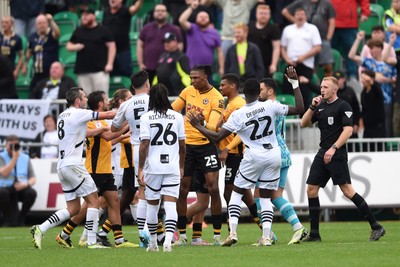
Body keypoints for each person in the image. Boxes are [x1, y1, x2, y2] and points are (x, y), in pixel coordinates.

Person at [187, 66, 304, 246]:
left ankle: (233, 233)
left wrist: (197, 125)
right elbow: (299, 108)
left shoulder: (238, 114)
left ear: (243, 92)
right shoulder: (270, 105)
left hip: (253, 156)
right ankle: (266, 236)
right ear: (259, 92)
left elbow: (217, 136)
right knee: (265, 197)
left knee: (236, 193)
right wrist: (295, 83)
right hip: (274, 155)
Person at [300, 76, 386, 242]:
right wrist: (311, 107)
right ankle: (315, 234)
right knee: (311, 189)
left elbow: (347, 131)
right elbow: (303, 124)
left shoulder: (343, 106)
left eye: (325, 87)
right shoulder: (320, 106)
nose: (322, 90)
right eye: (321, 87)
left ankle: (376, 226)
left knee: (347, 190)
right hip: (323, 151)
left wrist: (333, 148)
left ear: (335, 89)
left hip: (336, 153)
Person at [30, 87, 116, 249]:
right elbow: (109, 114)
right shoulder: (79, 113)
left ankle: (41, 228)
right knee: (94, 201)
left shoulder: (63, 115)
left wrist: (102, 129)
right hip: (74, 165)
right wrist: (127, 108)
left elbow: (86, 134)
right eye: (83, 97)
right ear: (78, 101)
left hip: (62, 166)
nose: (86, 100)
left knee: (74, 208)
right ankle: (91, 242)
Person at [56, 90, 135, 249]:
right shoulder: (89, 120)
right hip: (94, 169)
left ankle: (119, 240)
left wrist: (125, 129)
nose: (108, 101)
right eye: (106, 99)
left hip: (105, 169)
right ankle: (65, 233)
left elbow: (110, 139)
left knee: (114, 202)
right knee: (89, 206)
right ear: (100, 103)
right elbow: (107, 136)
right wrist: (129, 122)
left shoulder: (101, 122)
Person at [171, 65, 224, 246]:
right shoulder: (187, 91)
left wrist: (200, 123)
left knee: (213, 188)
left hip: (206, 147)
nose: (193, 81)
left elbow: (213, 127)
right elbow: (172, 110)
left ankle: (217, 235)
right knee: (182, 190)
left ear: (206, 77)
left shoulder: (217, 98)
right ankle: (183, 235)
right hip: (186, 147)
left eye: (196, 78)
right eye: (191, 78)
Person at [256, 77, 308, 245]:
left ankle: (297, 227)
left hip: (272, 154)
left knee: (271, 196)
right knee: (260, 195)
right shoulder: (277, 106)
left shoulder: (271, 107)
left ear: (270, 91)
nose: (259, 93)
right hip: (281, 153)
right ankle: (269, 233)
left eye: (261, 89)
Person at [137, 83, 186, 252]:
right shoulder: (177, 117)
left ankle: (152, 243)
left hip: (153, 168)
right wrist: (181, 166)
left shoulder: (146, 117)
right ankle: (167, 242)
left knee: (153, 205)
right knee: (171, 205)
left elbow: (144, 144)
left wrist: (140, 168)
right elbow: (182, 145)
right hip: (172, 166)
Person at [218, 73, 262, 232]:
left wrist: (227, 148)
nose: (220, 87)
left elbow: (241, 133)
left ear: (233, 86)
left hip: (236, 153)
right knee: (244, 193)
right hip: (231, 154)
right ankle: (262, 225)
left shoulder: (239, 104)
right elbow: (221, 128)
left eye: (223, 85)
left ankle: (231, 229)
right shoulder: (229, 104)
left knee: (229, 192)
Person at [111, 70, 151, 247]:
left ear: (133, 87)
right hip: (156, 148)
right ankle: (161, 233)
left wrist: (129, 124)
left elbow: (113, 128)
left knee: (141, 192)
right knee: (159, 193)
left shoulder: (126, 104)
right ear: (148, 84)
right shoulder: (154, 100)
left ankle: (144, 235)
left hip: (136, 149)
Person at [348, 31, 397, 137]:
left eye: (373, 48)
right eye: (369, 48)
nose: (370, 50)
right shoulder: (368, 61)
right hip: (372, 99)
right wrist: (358, 39)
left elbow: (394, 80)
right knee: (370, 123)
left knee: (386, 124)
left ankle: (387, 148)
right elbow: (351, 56)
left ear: (380, 48)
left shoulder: (389, 63)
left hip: (386, 98)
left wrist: (384, 79)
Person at [67, 7, 116, 96]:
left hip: (100, 71)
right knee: (86, 99)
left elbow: (112, 46)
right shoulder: (78, 31)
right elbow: (68, 46)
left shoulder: (103, 30)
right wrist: (76, 46)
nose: (84, 17)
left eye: (86, 15)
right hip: (83, 71)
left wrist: (109, 64)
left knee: (101, 97)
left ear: (93, 16)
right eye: (82, 15)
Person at [280, 7, 322, 108]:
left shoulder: (312, 29)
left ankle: (304, 117)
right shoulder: (288, 29)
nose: (300, 16)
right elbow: (282, 48)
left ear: (306, 16)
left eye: (302, 14)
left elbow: (318, 47)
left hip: (306, 65)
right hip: (291, 64)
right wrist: (287, 59)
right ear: (294, 16)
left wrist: (304, 57)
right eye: (298, 14)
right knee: (288, 89)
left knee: (305, 91)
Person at [282, 0, 336, 77]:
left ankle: (328, 82)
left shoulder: (327, 3)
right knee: (312, 65)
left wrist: (329, 37)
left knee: (327, 64)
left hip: (323, 37)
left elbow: (332, 21)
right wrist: (297, 22)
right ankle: (315, 81)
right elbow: (285, 11)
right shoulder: (301, 2)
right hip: (307, 38)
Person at [137, 4, 183, 83]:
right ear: (154, 13)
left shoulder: (174, 29)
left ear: (167, 14)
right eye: (158, 11)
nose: (160, 13)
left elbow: (180, 47)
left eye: (163, 11)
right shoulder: (146, 28)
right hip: (149, 67)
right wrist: (140, 63)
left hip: (168, 68)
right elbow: (140, 46)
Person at [179, 0, 224, 76]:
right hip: (191, 69)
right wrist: (191, 8)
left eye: (206, 17)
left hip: (207, 71)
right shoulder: (192, 29)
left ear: (209, 20)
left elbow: (219, 51)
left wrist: (221, 67)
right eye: (201, 17)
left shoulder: (214, 33)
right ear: (196, 19)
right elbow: (181, 20)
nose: (203, 18)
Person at [0, 135, 37, 226]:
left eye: (15, 145)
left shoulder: (25, 157)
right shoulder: (1, 156)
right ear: (6, 145)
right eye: (10, 145)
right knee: (2, 192)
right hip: (6, 187)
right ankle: (6, 218)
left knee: (31, 193)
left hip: (21, 186)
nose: (13, 147)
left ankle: (22, 217)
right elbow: (4, 173)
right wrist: (14, 158)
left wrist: (26, 184)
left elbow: (33, 178)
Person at [102, 0, 143, 77]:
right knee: (110, 76)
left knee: (127, 75)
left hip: (123, 50)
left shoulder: (125, 10)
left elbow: (136, 8)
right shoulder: (106, 12)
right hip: (108, 52)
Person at [330, 0, 370, 78]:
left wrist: (365, 12)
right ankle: (329, 77)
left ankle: (352, 76)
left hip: (349, 25)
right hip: (331, 25)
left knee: (351, 53)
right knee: (330, 54)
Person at [23, 13, 60, 92]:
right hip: (37, 72)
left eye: (44, 23)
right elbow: (29, 51)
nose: (42, 25)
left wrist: (51, 21)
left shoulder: (51, 34)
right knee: (33, 94)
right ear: (36, 25)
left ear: (47, 24)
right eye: (39, 23)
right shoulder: (32, 37)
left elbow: (57, 33)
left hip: (50, 73)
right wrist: (25, 65)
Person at [247, 4, 281, 78]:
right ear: (256, 14)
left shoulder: (273, 28)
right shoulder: (249, 26)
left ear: (269, 15)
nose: (263, 16)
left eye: (265, 14)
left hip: (266, 65)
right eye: (261, 13)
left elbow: (276, 48)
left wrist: (274, 64)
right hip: (250, 64)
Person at [153, 32, 191, 96]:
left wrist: (183, 91)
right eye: (165, 42)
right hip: (162, 94)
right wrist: (153, 89)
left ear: (175, 42)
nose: (166, 44)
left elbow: (188, 76)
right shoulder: (162, 56)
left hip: (175, 93)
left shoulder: (181, 57)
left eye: (168, 42)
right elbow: (158, 74)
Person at [360, 70, 387, 152]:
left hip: (378, 128)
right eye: (361, 78)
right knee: (366, 149)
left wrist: (371, 80)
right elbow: (364, 109)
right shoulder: (363, 93)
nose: (363, 80)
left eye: (364, 78)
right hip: (367, 128)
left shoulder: (377, 89)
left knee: (379, 150)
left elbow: (376, 88)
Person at [334, 70, 361, 150]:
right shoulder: (332, 92)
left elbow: (356, 108)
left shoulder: (350, 91)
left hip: (350, 125)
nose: (338, 81)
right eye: (335, 79)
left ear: (344, 79)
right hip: (337, 127)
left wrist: (356, 123)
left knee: (354, 148)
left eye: (339, 79)